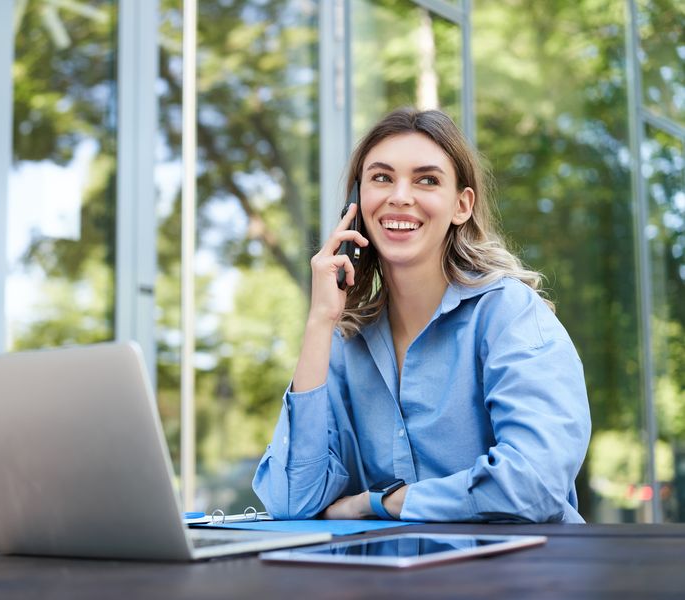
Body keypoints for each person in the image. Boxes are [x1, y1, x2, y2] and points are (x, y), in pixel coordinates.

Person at [252, 107, 591, 523]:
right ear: (355, 204)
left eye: (426, 180)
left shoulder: (509, 314)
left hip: (518, 579)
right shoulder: (345, 343)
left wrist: (378, 502)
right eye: (381, 178)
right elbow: (291, 502)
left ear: (461, 206)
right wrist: (320, 321)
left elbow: (534, 485)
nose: (400, 196)